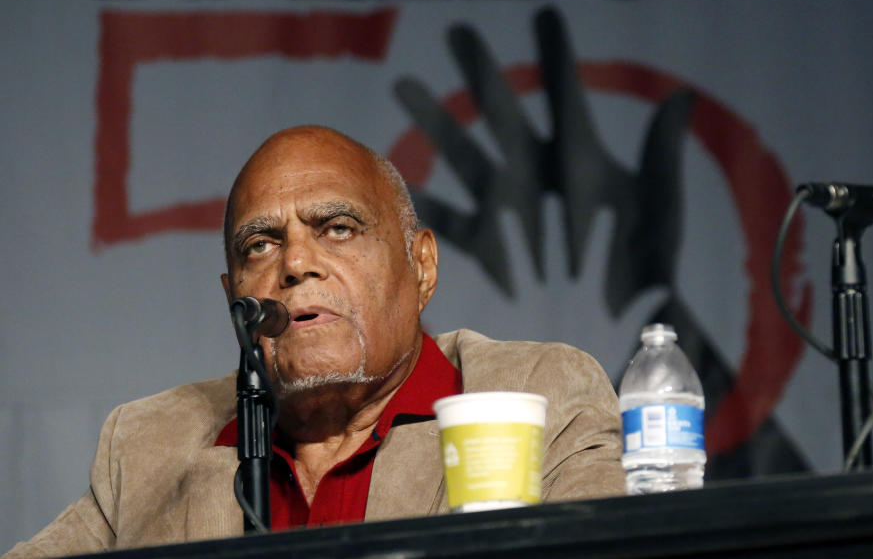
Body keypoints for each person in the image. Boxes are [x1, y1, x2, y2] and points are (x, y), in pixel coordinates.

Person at [5, 126, 624, 557]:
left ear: (422, 266)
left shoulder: (534, 396)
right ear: (235, 300)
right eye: (261, 245)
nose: (297, 263)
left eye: (338, 228)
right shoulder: (147, 442)